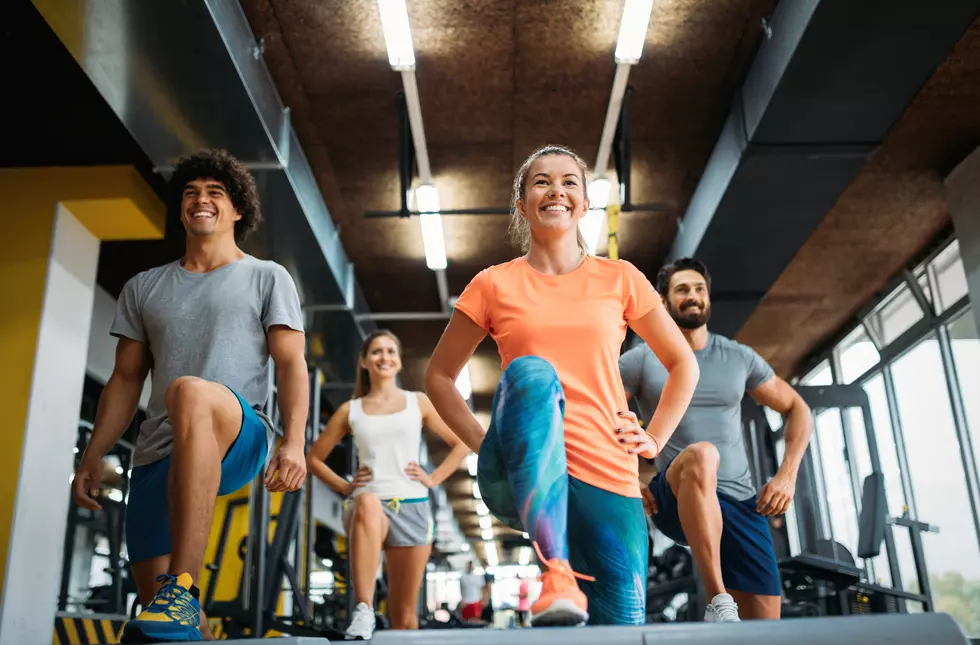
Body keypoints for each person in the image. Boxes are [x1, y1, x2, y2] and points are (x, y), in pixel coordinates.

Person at [425, 144, 700, 627]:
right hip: (523, 472)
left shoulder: (621, 279)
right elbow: (439, 376)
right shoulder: (493, 284)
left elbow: (683, 364)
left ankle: (573, 584)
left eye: (569, 181)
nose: (556, 190)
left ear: (585, 201)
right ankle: (555, 572)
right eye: (542, 181)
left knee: (624, 624)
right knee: (532, 373)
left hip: (608, 468)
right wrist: (487, 443)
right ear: (521, 202)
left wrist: (654, 438)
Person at [71, 149, 309, 643]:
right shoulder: (145, 287)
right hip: (161, 450)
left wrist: (293, 442)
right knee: (161, 623)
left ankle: (185, 583)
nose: (201, 200)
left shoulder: (266, 277)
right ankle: (183, 609)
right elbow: (124, 379)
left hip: (239, 435)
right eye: (191, 193)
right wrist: (93, 451)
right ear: (181, 208)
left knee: (190, 393)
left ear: (238, 210)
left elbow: (290, 363)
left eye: (215, 193)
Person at [620, 257, 814, 622]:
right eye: (682, 290)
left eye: (699, 289)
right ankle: (717, 600)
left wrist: (787, 475)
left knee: (764, 627)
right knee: (702, 455)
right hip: (674, 495)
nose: (692, 296)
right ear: (663, 301)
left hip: (740, 500)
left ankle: (727, 608)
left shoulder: (738, 356)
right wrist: (631, 477)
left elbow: (797, 408)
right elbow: (599, 407)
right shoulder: (642, 359)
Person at [306, 330, 470, 640]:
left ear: (398, 361)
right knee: (366, 500)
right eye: (377, 352)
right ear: (364, 362)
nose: (385, 357)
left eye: (391, 352)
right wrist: (344, 487)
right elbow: (313, 458)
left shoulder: (417, 402)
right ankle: (364, 610)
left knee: (404, 616)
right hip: (369, 505)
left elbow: (460, 443)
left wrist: (433, 478)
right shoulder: (350, 410)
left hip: (413, 507)